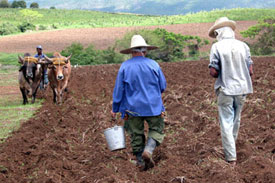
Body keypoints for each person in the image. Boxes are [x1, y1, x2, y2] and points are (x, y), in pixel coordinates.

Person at [111, 35, 167, 171]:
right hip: (154, 106)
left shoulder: (124, 67)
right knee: (156, 129)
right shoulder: (154, 64)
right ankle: (149, 149)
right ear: (145, 51)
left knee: (136, 133)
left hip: (132, 108)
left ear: (131, 52)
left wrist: (115, 108)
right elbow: (163, 86)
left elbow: (119, 90)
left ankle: (141, 161)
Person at [208, 17, 254, 165]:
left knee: (226, 122)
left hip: (226, 89)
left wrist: (219, 69)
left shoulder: (217, 47)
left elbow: (214, 72)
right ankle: (231, 149)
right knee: (236, 120)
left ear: (219, 33)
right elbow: (250, 71)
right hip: (242, 89)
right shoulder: (244, 46)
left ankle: (230, 158)